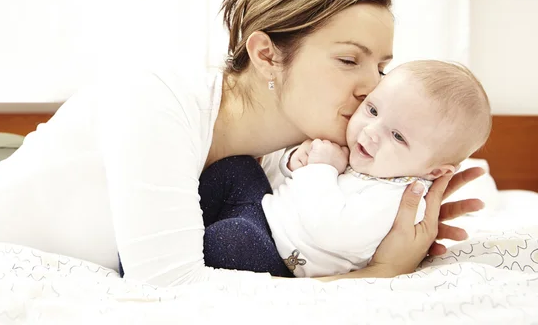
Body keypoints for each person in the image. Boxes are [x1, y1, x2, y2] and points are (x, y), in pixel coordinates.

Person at [0, 0, 484, 286]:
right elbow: (174, 290)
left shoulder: (292, 160)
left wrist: (378, 223)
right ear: (267, 53)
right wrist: (377, 278)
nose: (375, 86)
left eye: (383, 66)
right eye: (349, 59)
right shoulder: (158, 96)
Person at [198, 60, 491, 278]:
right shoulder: (370, 154)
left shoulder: (400, 203)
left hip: (280, 256)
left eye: (398, 136)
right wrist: (297, 161)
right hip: (265, 211)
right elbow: (291, 181)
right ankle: (184, 219)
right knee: (238, 168)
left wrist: (320, 169)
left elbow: (329, 229)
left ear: (435, 171)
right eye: (373, 110)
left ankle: (191, 247)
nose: (372, 131)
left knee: (231, 239)